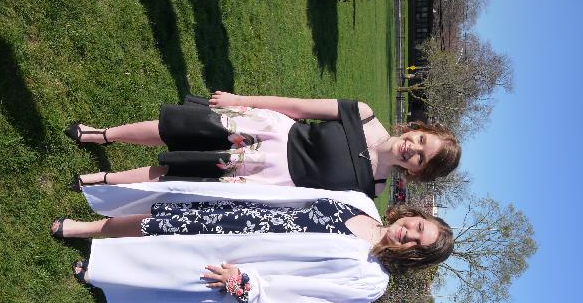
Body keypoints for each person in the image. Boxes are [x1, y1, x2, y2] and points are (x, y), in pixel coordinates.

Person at [50, 181, 453, 303]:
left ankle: (100, 271)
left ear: (413, 258)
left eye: (417, 245)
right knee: (159, 220)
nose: (409, 235)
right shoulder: (362, 204)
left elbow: (305, 296)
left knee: (164, 264)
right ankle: (84, 228)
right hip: (243, 214)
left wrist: (248, 286)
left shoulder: (371, 280)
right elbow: (298, 197)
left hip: (245, 258)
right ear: (414, 216)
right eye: (417, 227)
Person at [65, 92, 461, 198]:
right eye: (421, 141)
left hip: (264, 177)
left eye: (421, 159)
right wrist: (239, 99)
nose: (413, 149)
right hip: (266, 131)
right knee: (178, 130)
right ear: (418, 128)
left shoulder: (371, 189)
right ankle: (102, 134)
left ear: (417, 172)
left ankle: (103, 180)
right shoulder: (363, 114)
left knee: (178, 173)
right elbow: (296, 106)